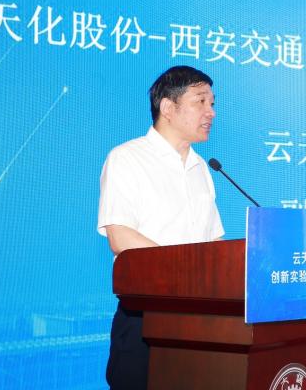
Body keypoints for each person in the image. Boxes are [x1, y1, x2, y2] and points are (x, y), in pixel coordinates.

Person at [97, 65, 225, 389]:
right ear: (168, 107)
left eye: (212, 103)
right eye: (201, 101)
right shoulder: (127, 158)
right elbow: (120, 236)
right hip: (145, 315)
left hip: (199, 319)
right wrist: (185, 271)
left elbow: (214, 242)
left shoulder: (202, 168)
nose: (211, 112)